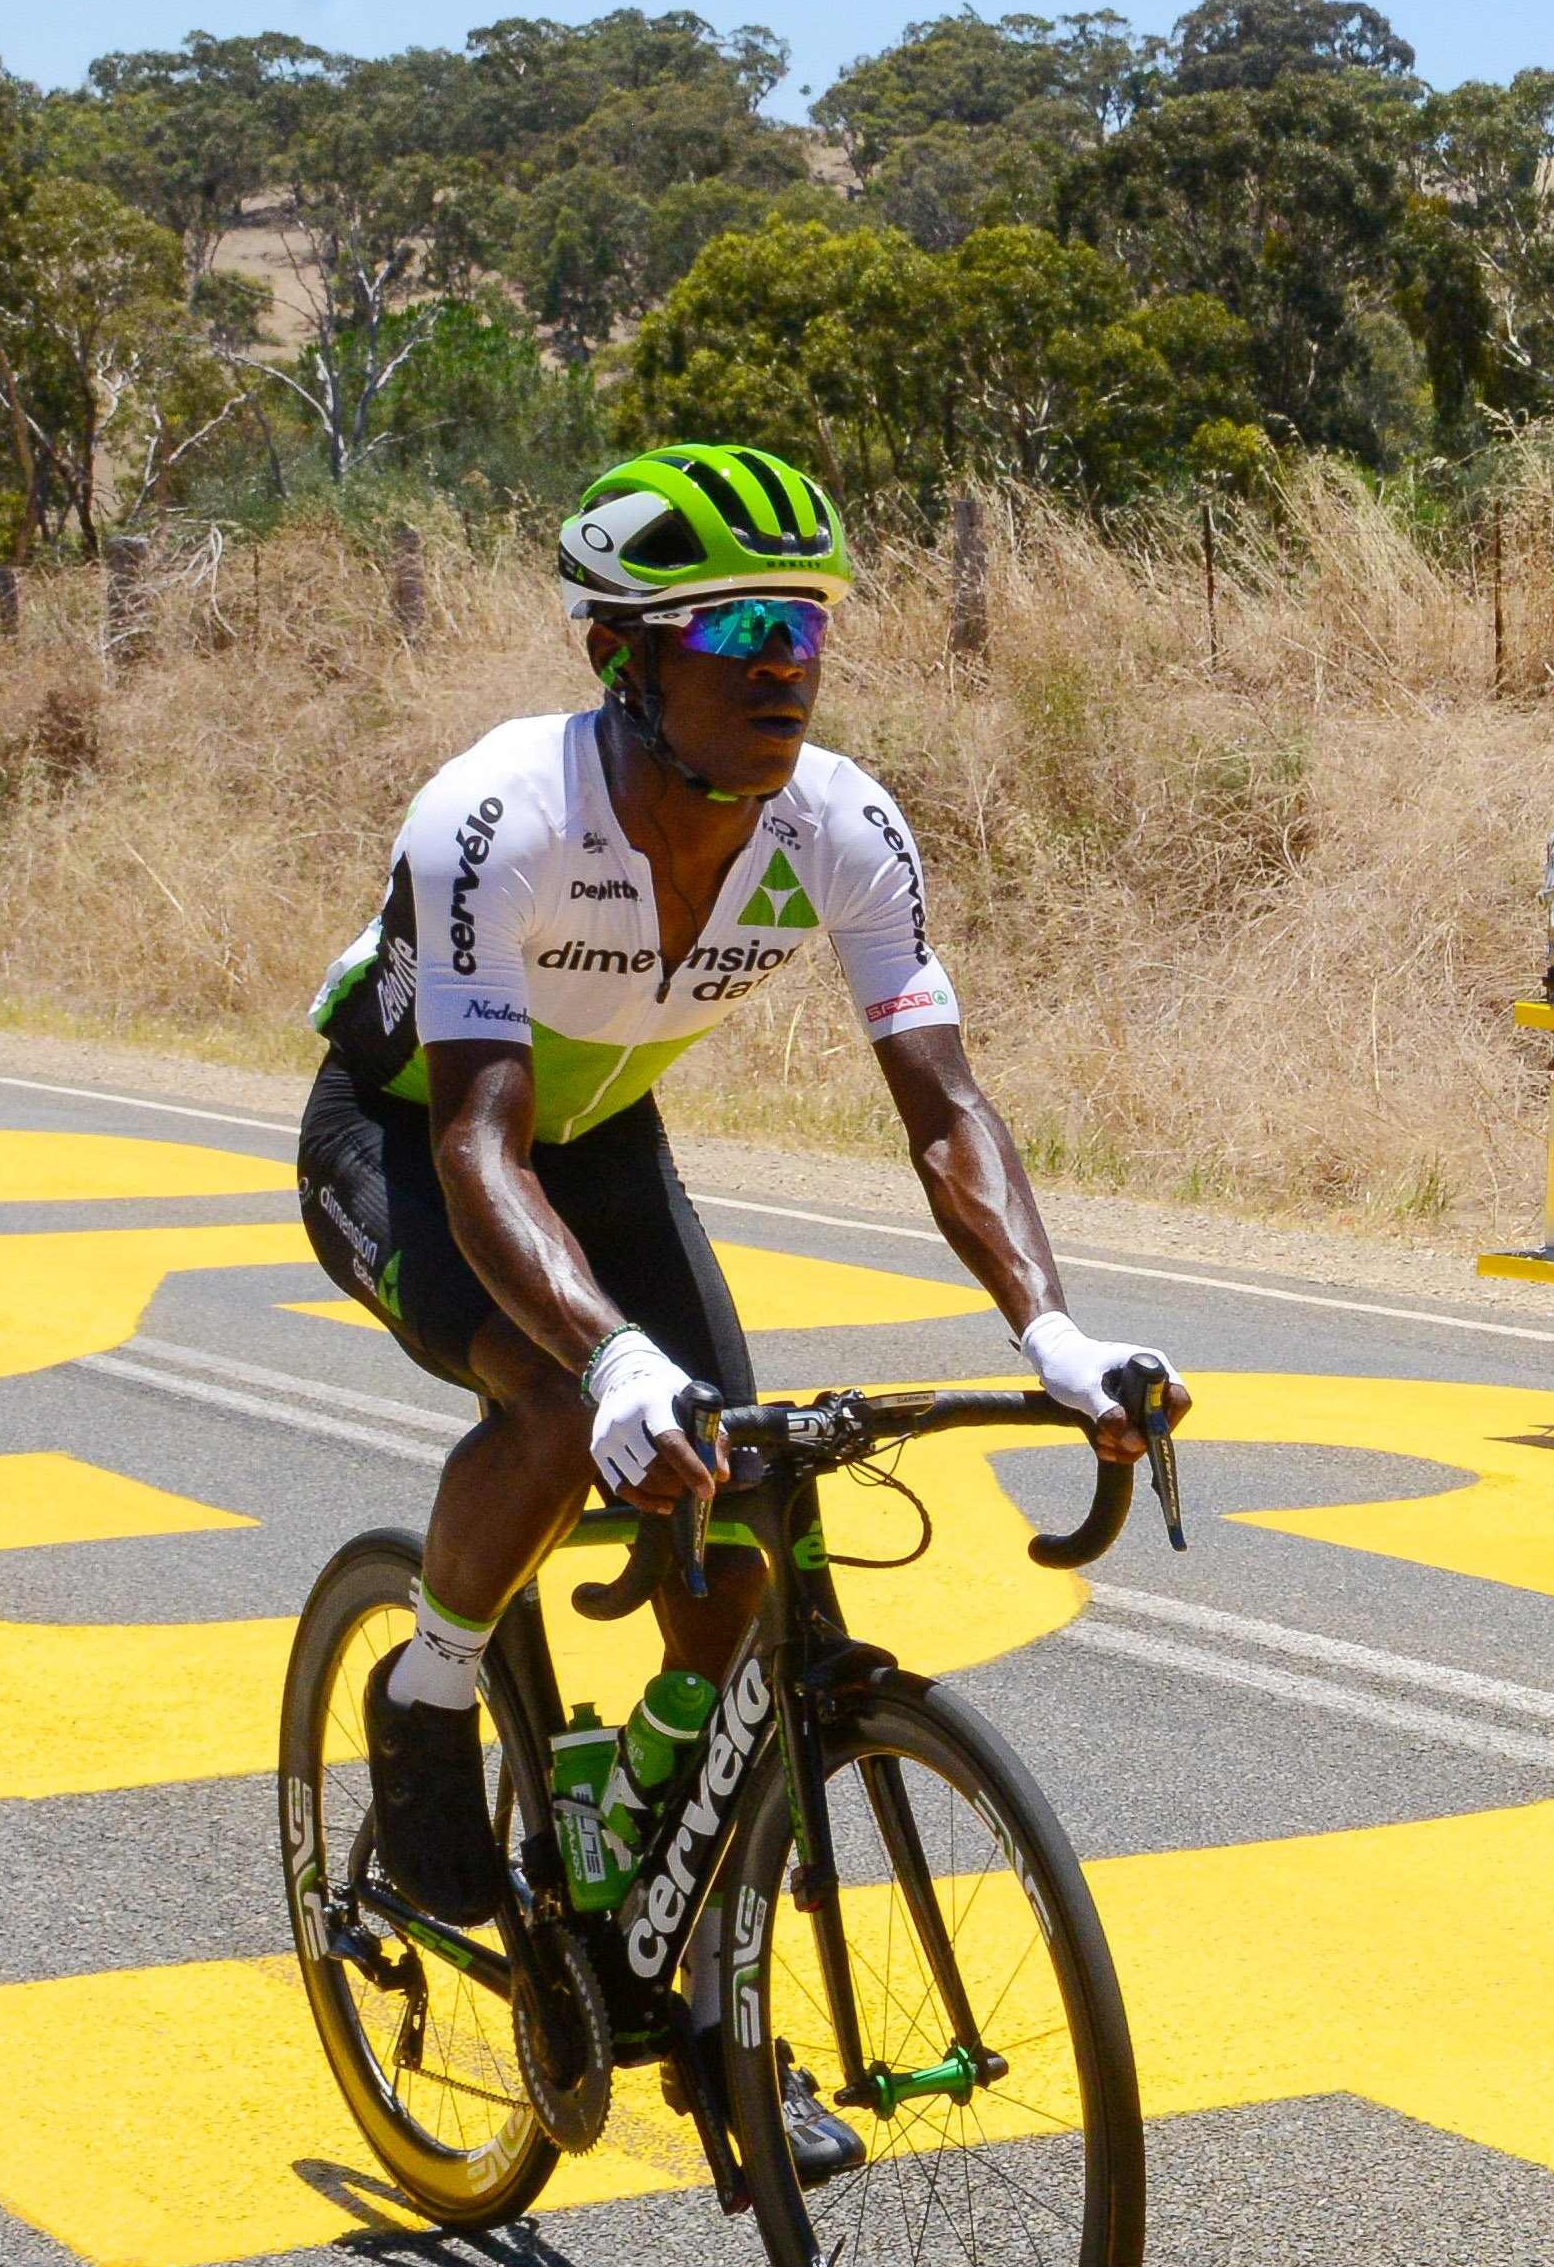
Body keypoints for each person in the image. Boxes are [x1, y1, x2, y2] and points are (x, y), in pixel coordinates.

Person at [295, 442, 1175, 2146]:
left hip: (605, 1141)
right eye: (740, 623)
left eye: (814, 627)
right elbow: (482, 1148)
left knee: (748, 1519)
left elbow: (942, 1106)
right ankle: (427, 1689)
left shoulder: (838, 825)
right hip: (413, 1137)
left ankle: (700, 1994)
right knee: (561, 1406)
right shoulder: (504, 814)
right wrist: (613, 1356)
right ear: (626, 657)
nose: (786, 659)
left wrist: (1054, 1334)